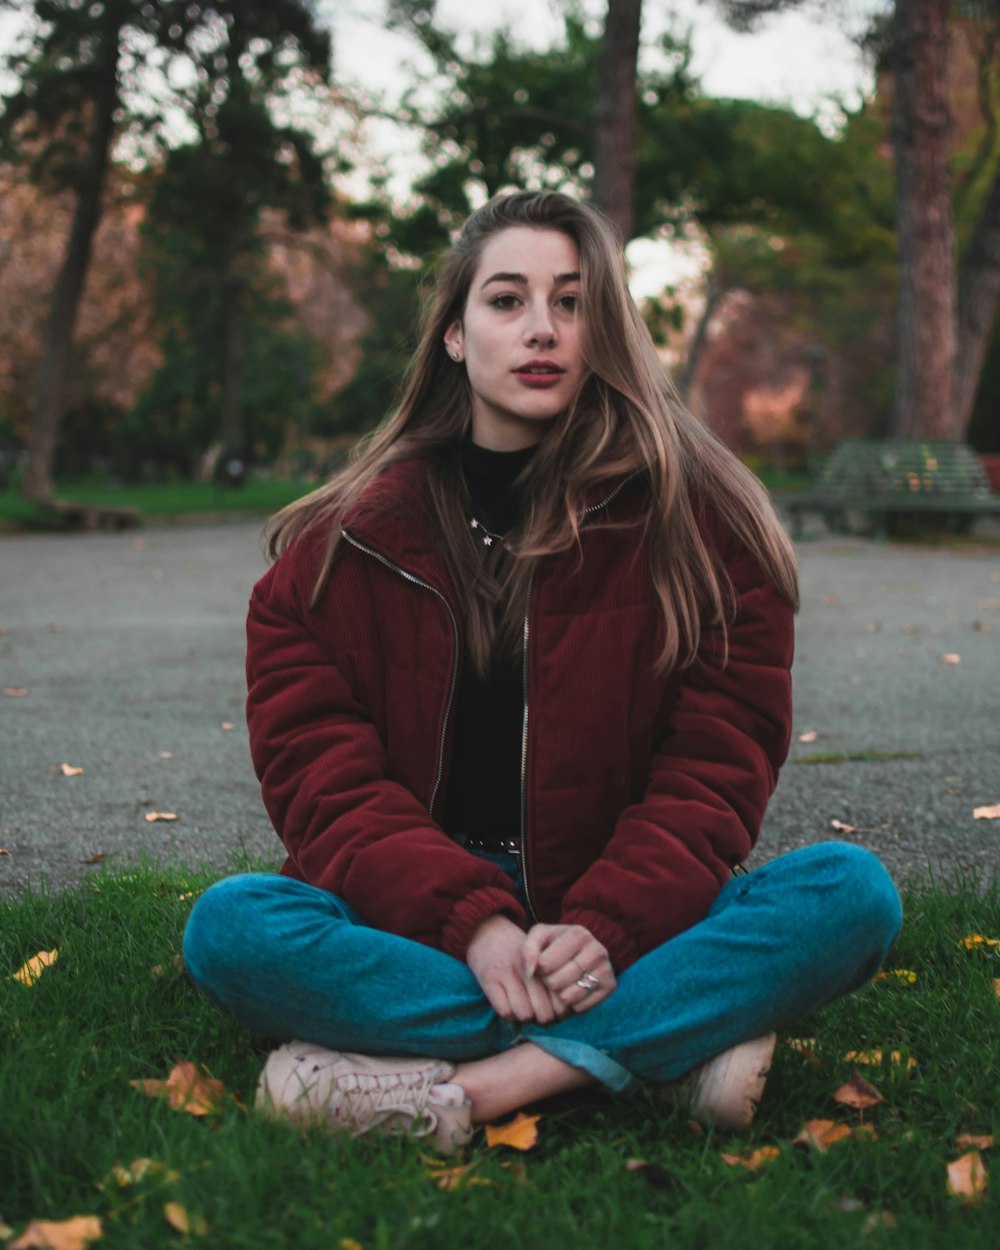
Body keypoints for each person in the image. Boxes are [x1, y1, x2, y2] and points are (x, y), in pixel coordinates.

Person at [183, 190, 902, 1153]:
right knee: (233, 929)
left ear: (605, 327)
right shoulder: (338, 550)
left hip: (623, 900)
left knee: (849, 895)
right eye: (507, 300)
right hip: (414, 915)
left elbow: (716, 769)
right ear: (453, 333)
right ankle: (669, 1048)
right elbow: (325, 784)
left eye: (571, 302)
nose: (542, 330)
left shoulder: (705, 527)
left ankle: (479, 1091)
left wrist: (606, 926)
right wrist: (473, 923)